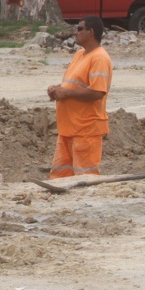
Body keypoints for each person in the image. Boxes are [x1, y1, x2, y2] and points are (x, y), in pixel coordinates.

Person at [46, 16, 113, 178]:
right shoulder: (80, 55)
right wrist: (57, 90)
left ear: (91, 32)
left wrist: (66, 93)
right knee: (60, 176)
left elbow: (97, 92)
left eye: (79, 29)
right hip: (69, 128)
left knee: (85, 178)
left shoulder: (100, 58)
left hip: (86, 129)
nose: (75, 33)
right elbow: (73, 85)